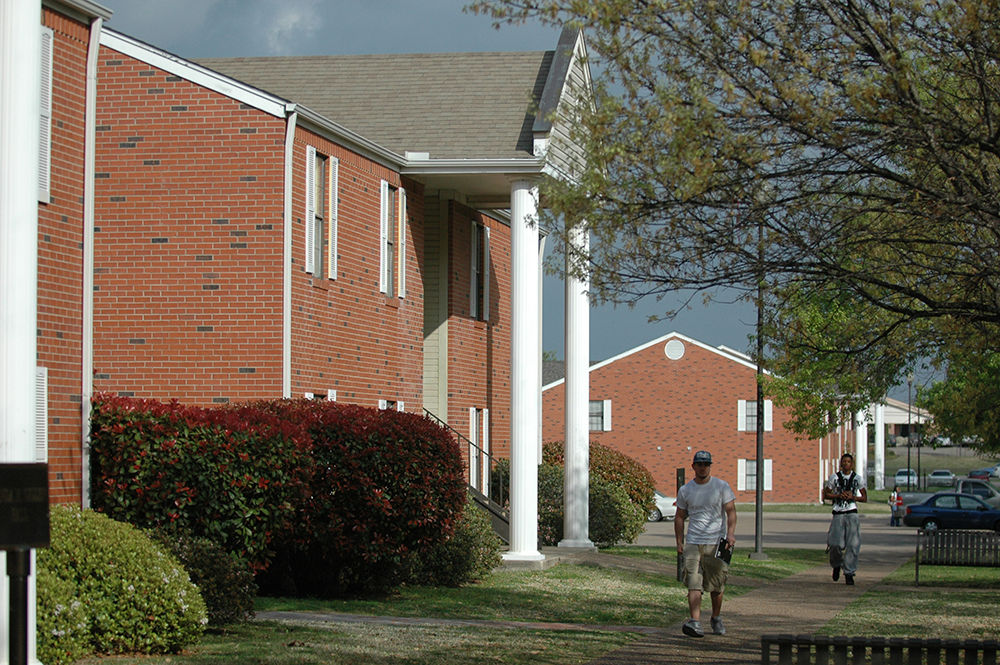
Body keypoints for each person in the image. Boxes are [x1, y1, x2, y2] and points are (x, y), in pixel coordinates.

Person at [674, 450, 737, 638]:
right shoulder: (686, 490)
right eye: (699, 464)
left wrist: (731, 534)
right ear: (693, 466)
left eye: (706, 464)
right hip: (693, 542)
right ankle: (695, 622)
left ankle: (716, 617)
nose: (703, 467)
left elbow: (731, 511)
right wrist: (679, 541)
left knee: (717, 585)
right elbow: (679, 516)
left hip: (717, 542)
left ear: (710, 466)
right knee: (693, 582)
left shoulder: (721, 487)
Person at [823, 453, 867, 585]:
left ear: (852, 464)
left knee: (853, 544)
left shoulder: (857, 479)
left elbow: (864, 498)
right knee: (835, 543)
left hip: (852, 513)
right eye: (844, 462)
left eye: (848, 462)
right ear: (841, 463)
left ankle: (849, 572)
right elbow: (826, 494)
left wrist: (853, 497)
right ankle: (836, 564)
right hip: (838, 512)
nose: (846, 464)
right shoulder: (834, 478)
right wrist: (838, 496)